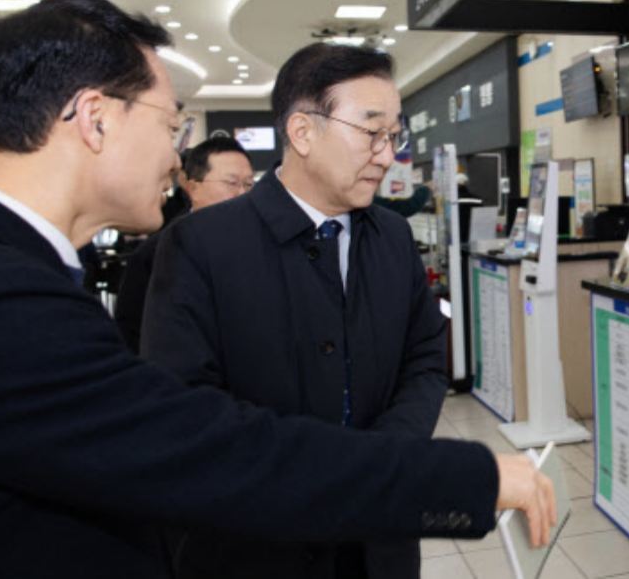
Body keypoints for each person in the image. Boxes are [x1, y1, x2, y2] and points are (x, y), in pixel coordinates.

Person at [0, 0, 555, 579]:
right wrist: (470, 479)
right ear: (95, 118)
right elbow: (203, 447)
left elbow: (420, 356)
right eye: (170, 126)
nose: (176, 158)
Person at [142, 43, 448, 579]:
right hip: (255, 544)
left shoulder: (393, 237)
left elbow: (425, 354)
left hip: (379, 540)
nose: (386, 155)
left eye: (394, 135)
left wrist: (385, 453)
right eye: (371, 132)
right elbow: (181, 404)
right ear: (303, 132)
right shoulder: (202, 245)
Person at [114, 136, 253, 353]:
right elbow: (132, 330)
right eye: (231, 183)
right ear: (192, 187)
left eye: (249, 184)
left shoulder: (260, 247)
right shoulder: (158, 251)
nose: (242, 194)